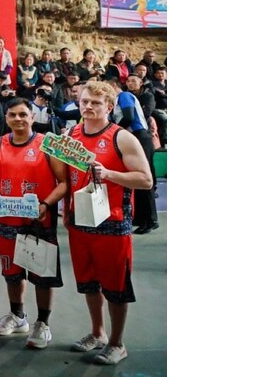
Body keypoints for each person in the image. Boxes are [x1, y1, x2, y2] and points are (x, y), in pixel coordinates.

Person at [65, 81, 153, 365]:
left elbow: (146, 180)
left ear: (110, 107)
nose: (88, 106)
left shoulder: (123, 138)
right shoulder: (71, 134)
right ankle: (97, 333)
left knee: (116, 286)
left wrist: (110, 174)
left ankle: (117, 343)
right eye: (85, 101)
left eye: (95, 103)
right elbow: (66, 177)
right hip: (79, 221)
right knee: (88, 283)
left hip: (112, 222)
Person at [0, 98, 68, 348]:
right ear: (7, 118)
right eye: (13, 115)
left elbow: (64, 182)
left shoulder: (47, 144)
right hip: (7, 219)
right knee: (12, 272)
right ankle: (17, 315)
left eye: (23, 114)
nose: (18, 119)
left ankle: (42, 323)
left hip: (38, 221)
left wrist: (45, 204)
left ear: (32, 117)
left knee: (41, 273)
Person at [119, 76, 158, 234]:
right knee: (136, 179)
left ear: (141, 82)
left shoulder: (130, 96)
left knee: (145, 178)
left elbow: (137, 115)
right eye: (128, 81)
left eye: (134, 81)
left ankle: (151, 220)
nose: (130, 83)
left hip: (141, 136)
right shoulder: (124, 97)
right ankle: (140, 217)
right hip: (133, 137)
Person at [150, 66, 167, 149]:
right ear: (155, 74)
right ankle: (165, 141)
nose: (160, 75)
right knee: (164, 119)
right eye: (158, 73)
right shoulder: (152, 84)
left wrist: (163, 94)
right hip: (158, 109)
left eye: (162, 73)